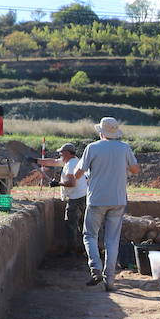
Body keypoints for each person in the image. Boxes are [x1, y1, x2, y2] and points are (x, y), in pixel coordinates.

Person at [81, 117, 139, 291]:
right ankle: (110, 281)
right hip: (118, 200)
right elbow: (135, 169)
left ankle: (95, 268)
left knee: (90, 235)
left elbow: (80, 172)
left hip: (96, 200)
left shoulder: (92, 147)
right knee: (112, 240)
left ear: (101, 132)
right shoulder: (125, 148)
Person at [56, 143, 87, 256]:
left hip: (75, 198)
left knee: (70, 224)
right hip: (83, 196)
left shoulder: (70, 164)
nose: (60, 155)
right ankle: (83, 249)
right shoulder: (75, 161)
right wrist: (36, 161)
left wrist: (57, 183)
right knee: (82, 224)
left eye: (61, 153)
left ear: (67, 153)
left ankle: (72, 251)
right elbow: (53, 162)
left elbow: (71, 183)